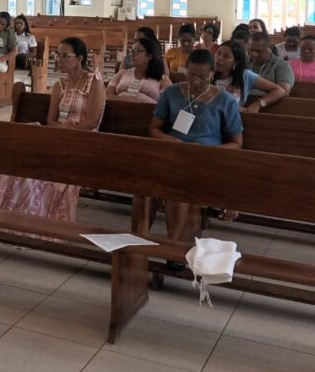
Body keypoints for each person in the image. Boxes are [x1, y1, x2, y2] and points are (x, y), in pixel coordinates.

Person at [0, 37, 105, 222]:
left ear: (80, 58)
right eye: (58, 55)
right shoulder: (59, 85)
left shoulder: (93, 80)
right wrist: (62, 129)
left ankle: (31, 211)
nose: (59, 59)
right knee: (21, 155)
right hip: (58, 135)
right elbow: (50, 120)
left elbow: (93, 120)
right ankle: (5, 206)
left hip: (83, 140)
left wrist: (70, 132)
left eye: (65, 56)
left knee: (41, 162)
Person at [152, 48, 243, 243]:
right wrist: (175, 142)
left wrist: (207, 151)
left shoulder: (225, 100)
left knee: (183, 185)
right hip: (175, 153)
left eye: (203, 77)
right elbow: (155, 129)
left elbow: (236, 143)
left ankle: (174, 244)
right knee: (153, 187)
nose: (196, 81)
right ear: (185, 70)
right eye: (191, 74)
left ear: (212, 73)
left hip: (207, 158)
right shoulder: (171, 93)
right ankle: (168, 243)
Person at [213, 40, 286, 110]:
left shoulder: (245, 76)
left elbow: (280, 91)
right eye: (218, 53)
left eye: (226, 56)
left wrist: (258, 104)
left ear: (236, 62)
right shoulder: (207, 73)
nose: (219, 58)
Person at [107, 37, 170, 103]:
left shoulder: (163, 79)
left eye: (137, 51)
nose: (131, 54)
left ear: (149, 56)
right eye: (131, 51)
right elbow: (107, 95)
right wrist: (128, 101)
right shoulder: (121, 73)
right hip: (118, 110)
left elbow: (166, 105)